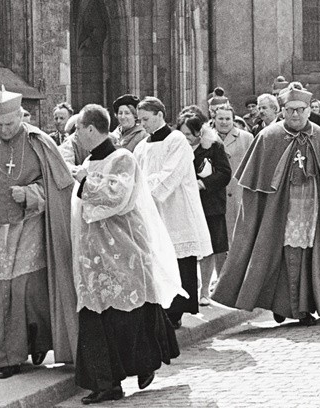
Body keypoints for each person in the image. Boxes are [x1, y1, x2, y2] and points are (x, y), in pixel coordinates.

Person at [0, 86, 77, 379]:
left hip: (27, 227)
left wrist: (30, 193)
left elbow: (59, 188)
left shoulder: (39, 142)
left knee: (26, 292)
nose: (3, 130)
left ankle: (32, 343)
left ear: (20, 117)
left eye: (9, 124)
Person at [71, 104, 184, 405]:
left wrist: (83, 181)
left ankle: (143, 363)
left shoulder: (122, 158)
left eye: (79, 129)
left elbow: (116, 197)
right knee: (96, 319)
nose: (76, 135)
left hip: (122, 251)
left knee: (126, 315)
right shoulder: (88, 161)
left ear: (91, 129)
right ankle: (107, 384)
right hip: (91, 258)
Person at [213, 83, 320, 326]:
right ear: (282, 110)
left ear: (308, 110)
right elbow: (252, 187)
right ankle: (284, 306)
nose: (295, 114)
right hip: (278, 211)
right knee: (279, 255)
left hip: (312, 212)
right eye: (290, 110)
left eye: (300, 109)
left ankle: (303, 308)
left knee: (307, 256)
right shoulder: (268, 137)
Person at [133, 97, 212, 329]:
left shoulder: (177, 140)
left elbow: (170, 176)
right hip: (152, 211)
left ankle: (177, 310)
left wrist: (143, 191)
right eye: (140, 120)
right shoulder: (141, 146)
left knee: (179, 260)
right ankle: (162, 308)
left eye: (146, 119)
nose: (143, 124)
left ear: (159, 115)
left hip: (176, 210)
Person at [177, 113, 231, 306]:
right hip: (185, 204)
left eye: (189, 134)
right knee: (190, 246)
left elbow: (225, 173)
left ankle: (205, 290)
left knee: (209, 247)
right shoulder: (178, 147)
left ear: (199, 133)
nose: (186, 138)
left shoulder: (214, 147)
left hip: (210, 204)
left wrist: (203, 183)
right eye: (182, 133)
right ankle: (192, 285)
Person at [211, 105, 253, 249]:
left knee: (239, 236)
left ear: (233, 120)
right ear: (214, 119)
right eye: (220, 118)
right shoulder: (208, 138)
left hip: (238, 193)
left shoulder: (246, 138)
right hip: (216, 195)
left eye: (227, 119)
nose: (224, 122)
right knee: (219, 240)